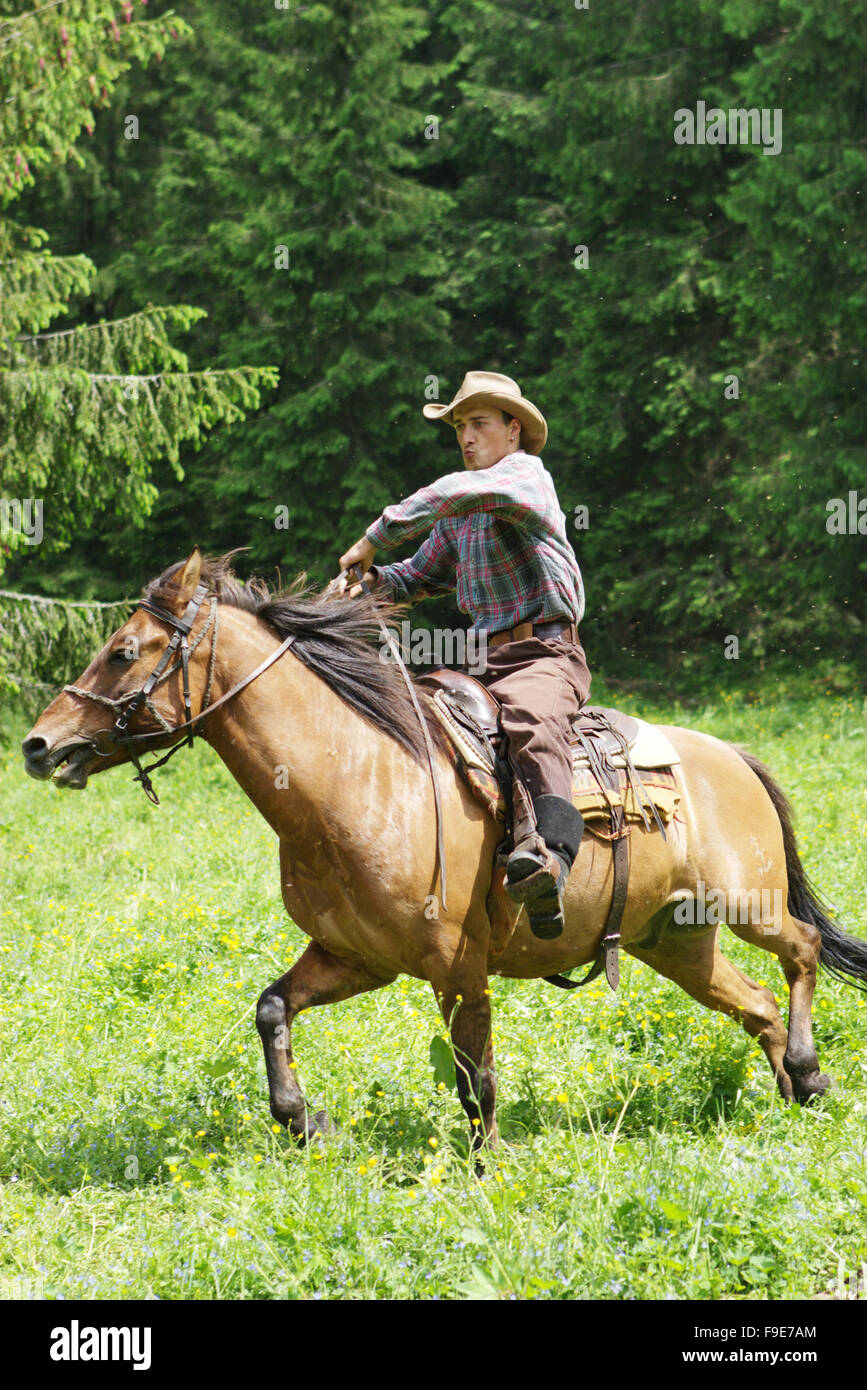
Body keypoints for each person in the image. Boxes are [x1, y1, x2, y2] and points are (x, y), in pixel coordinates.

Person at [336, 371, 591, 938]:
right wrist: (371, 581)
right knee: (420, 719)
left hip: (544, 653)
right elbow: (418, 575)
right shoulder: (467, 515)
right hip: (484, 661)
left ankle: (550, 858)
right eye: (458, 427)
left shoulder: (524, 478)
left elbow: (451, 491)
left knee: (529, 720)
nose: (466, 436)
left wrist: (376, 535)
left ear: (513, 429)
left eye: (478, 423)